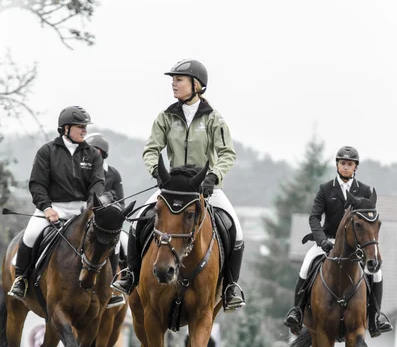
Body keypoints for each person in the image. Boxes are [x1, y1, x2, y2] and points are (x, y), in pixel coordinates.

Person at [112, 59, 245, 311]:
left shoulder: (214, 119)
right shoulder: (166, 117)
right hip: (172, 187)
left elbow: (227, 153)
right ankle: (130, 274)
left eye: (179, 79)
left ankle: (230, 287)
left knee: (235, 229)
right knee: (141, 220)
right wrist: (157, 172)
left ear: (196, 85)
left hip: (205, 187)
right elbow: (151, 149)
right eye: (173, 79)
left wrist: (213, 176)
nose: (173, 83)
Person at [284, 145, 393, 338]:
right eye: (342, 163)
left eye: (349, 164)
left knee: (376, 273)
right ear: (337, 165)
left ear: (355, 167)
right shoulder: (326, 189)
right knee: (306, 264)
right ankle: (297, 312)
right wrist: (322, 240)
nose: (345, 167)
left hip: (356, 247)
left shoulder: (365, 191)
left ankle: (376, 318)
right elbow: (314, 218)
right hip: (328, 242)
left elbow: (369, 222)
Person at [8, 105, 105, 300]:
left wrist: (91, 205)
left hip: (82, 209)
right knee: (30, 235)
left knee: (107, 238)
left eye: (85, 126)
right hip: (53, 208)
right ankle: (21, 279)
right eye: (80, 126)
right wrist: (46, 207)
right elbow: (37, 184)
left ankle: (108, 287)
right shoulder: (47, 151)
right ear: (66, 128)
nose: (85, 130)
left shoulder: (92, 154)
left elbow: (97, 182)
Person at [86, 132, 126, 308]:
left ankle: (114, 286)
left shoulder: (113, 174)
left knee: (121, 241)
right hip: (82, 215)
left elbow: (121, 203)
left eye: (92, 150)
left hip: (105, 222)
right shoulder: (81, 171)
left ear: (101, 153)